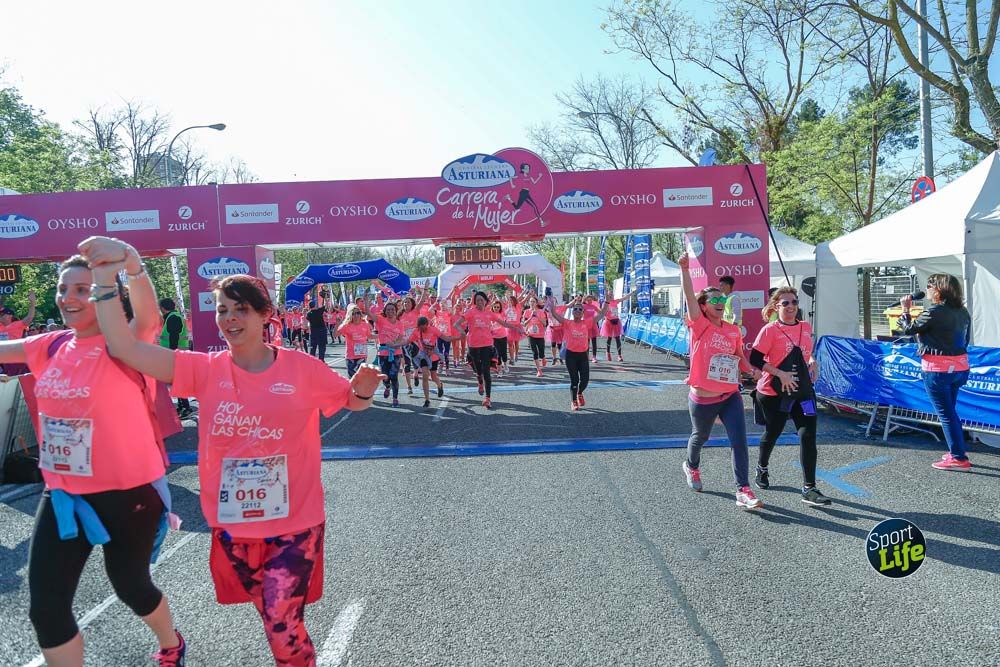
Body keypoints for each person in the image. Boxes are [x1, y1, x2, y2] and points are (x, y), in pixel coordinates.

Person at [79, 236, 383, 667]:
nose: (230, 319)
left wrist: (364, 391)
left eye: (241, 309)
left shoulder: (302, 368)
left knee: (281, 620)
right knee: (275, 617)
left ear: (265, 316)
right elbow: (124, 348)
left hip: (295, 523)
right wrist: (116, 273)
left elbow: (348, 400)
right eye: (223, 309)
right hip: (235, 526)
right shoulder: (203, 370)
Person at [0, 255, 185, 666]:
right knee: (46, 609)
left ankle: (172, 643)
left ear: (110, 296)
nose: (68, 298)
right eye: (63, 289)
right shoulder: (48, 345)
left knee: (131, 586)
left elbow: (149, 314)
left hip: (130, 493)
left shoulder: (127, 343)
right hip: (64, 495)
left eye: (82, 289)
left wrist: (133, 268)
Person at [676, 256, 763, 509]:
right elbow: (690, 296)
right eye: (714, 299)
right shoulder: (699, 325)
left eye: (722, 299)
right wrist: (684, 269)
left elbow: (739, 358)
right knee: (700, 436)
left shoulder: (732, 329)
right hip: (703, 397)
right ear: (703, 306)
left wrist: (752, 371)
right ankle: (691, 466)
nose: (719, 302)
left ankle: (743, 490)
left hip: (729, 395)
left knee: (739, 440)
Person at [749, 287, 832, 506]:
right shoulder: (769, 330)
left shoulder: (805, 326)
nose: (791, 306)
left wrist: (813, 361)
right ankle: (762, 467)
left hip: (803, 391)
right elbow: (755, 359)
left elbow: (806, 352)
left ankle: (809, 488)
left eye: (794, 302)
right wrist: (780, 374)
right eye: (785, 303)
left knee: (808, 435)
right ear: (777, 306)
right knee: (773, 432)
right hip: (774, 392)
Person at [898, 274, 974, 471]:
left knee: (946, 414)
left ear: (938, 290)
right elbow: (965, 341)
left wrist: (905, 310)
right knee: (950, 412)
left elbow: (908, 330)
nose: (928, 290)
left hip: (938, 370)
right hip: (959, 368)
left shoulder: (933, 311)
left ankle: (958, 457)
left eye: (930, 286)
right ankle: (956, 451)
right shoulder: (963, 312)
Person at [453, 291, 523, 409]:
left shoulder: (489, 313)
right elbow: (456, 324)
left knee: (486, 371)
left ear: (485, 301)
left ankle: (487, 398)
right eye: (478, 300)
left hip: (487, 345)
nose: (480, 302)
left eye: (482, 300)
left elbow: (504, 324)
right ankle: (480, 381)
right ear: (475, 302)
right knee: (478, 371)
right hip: (473, 346)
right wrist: (462, 333)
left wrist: (517, 328)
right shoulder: (470, 312)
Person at [545, 296, 609, 411]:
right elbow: (554, 314)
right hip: (571, 356)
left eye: (580, 309)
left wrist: (607, 301)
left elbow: (602, 314)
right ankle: (574, 400)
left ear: (583, 312)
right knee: (574, 380)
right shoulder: (567, 322)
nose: (578, 311)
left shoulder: (588, 322)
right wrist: (551, 306)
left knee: (585, 380)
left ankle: (580, 393)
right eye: (575, 309)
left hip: (583, 355)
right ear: (572, 312)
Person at [409, 316, 461, 407]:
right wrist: (396, 344)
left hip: (433, 357)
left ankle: (440, 385)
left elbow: (446, 338)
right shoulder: (416, 331)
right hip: (424, 357)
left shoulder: (433, 330)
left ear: (426, 325)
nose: (421, 329)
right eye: (419, 327)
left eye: (423, 327)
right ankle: (427, 400)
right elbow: (407, 341)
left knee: (433, 376)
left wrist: (459, 337)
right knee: (425, 376)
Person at [159, 298, 193, 419]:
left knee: (178, 381)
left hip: (175, 353)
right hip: (176, 352)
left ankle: (186, 407)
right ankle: (182, 405)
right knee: (176, 381)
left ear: (163, 308)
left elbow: (174, 336)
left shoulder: (173, 317)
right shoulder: (172, 317)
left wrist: (173, 353)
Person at [374, 301, 408, 407]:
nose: (390, 311)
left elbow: (401, 337)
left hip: (396, 352)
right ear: (385, 311)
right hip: (383, 353)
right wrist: (366, 302)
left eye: (392, 309)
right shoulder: (380, 320)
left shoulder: (400, 323)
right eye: (388, 309)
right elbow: (369, 314)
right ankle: (387, 387)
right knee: (385, 376)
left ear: (396, 311)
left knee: (393, 375)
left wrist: (394, 344)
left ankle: (395, 398)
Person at [0, 292, 37, 375]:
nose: (0, 316)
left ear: (10, 316)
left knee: (14, 377)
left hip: (15, 357)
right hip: (3, 357)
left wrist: (32, 303)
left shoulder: (18, 324)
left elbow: (30, 317)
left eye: (2, 314)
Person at [337, 304, 374, 378]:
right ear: (350, 315)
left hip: (361, 355)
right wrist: (337, 324)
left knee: (360, 377)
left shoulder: (365, 324)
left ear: (360, 314)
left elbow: (370, 336)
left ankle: (360, 389)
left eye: (357, 313)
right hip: (350, 356)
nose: (356, 315)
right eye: (353, 314)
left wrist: (382, 336)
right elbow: (336, 334)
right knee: (352, 378)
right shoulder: (347, 325)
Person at [600, 290, 635, 361]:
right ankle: (608, 353)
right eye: (609, 295)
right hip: (608, 322)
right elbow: (602, 312)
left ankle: (619, 355)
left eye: (612, 295)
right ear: (607, 296)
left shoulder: (615, 301)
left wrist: (631, 293)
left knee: (617, 339)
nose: (611, 296)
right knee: (609, 338)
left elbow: (625, 298)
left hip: (616, 322)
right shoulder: (605, 303)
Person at [521, 295, 548, 377]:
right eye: (530, 302)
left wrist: (538, 317)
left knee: (541, 352)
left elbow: (544, 324)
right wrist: (531, 316)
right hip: (531, 335)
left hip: (540, 335)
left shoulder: (541, 312)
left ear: (536, 303)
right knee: (534, 353)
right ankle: (539, 370)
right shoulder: (526, 312)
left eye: (533, 302)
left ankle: (543, 358)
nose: (532, 303)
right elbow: (524, 323)